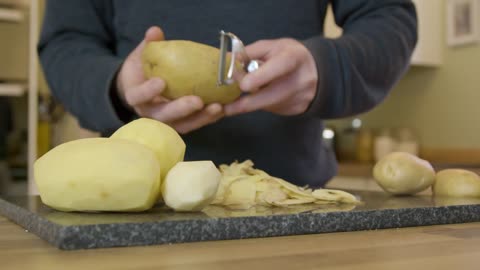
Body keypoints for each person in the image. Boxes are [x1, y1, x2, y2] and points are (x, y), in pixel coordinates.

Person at [38, 1, 417, 188]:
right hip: (133, 206)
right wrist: (118, 87)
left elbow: (387, 16)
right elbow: (66, 42)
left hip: (294, 209)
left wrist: (327, 68)